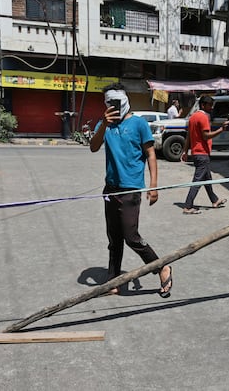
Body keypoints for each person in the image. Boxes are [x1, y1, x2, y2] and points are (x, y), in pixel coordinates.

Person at [90, 83, 173, 298]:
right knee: (114, 238)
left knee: (131, 236)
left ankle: (161, 267)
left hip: (131, 188)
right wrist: (103, 125)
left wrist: (154, 186)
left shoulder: (139, 124)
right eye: (109, 103)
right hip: (111, 189)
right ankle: (114, 281)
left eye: (116, 102)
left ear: (125, 100)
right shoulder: (105, 124)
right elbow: (93, 146)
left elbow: (151, 155)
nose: (113, 106)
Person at [180, 95, 228, 214]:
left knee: (207, 179)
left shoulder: (192, 117)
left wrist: (185, 151)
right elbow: (206, 136)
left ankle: (214, 200)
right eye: (209, 105)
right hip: (202, 154)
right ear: (203, 105)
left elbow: (188, 137)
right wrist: (221, 130)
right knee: (197, 181)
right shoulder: (203, 117)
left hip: (197, 153)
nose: (211, 108)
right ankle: (188, 206)